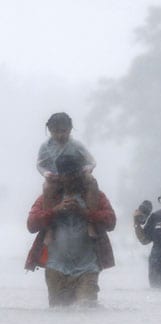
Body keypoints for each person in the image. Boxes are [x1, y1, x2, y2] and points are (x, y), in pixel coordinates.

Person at [25, 154, 116, 307]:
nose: (72, 179)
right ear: (60, 176)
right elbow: (31, 225)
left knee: (87, 310)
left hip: (87, 268)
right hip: (56, 268)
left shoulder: (95, 196)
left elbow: (111, 222)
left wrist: (85, 213)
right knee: (58, 315)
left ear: (81, 174)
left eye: (75, 174)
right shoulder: (48, 198)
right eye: (67, 175)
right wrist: (55, 211)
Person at [37, 112, 99, 243]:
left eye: (63, 131)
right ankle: (49, 229)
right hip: (57, 179)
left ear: (70, 129)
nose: (60, 135)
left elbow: (92, 161)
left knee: (92, 182)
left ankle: (91, 223)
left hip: (77, 177)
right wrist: (45, 174)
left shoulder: (76, 145)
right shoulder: (46, 146)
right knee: (46, 186)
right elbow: (40, 165)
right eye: (55, 131)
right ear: (49, 130)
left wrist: (87, 170)